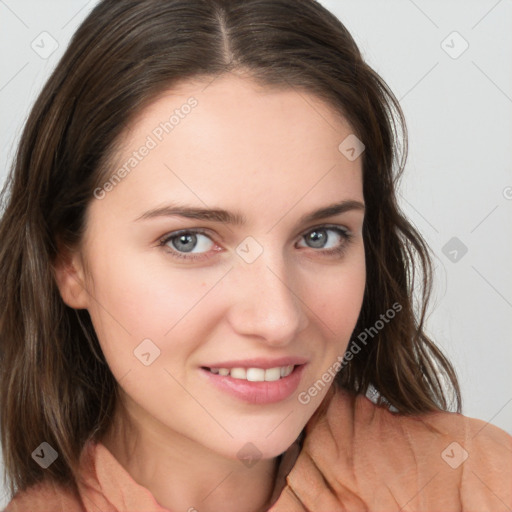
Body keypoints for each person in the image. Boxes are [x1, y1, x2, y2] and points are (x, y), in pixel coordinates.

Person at [0, 1, 510, 511]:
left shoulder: (478, 486)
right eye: (189, 241)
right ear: (68, 262)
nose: (277, 319)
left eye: (321, 236)